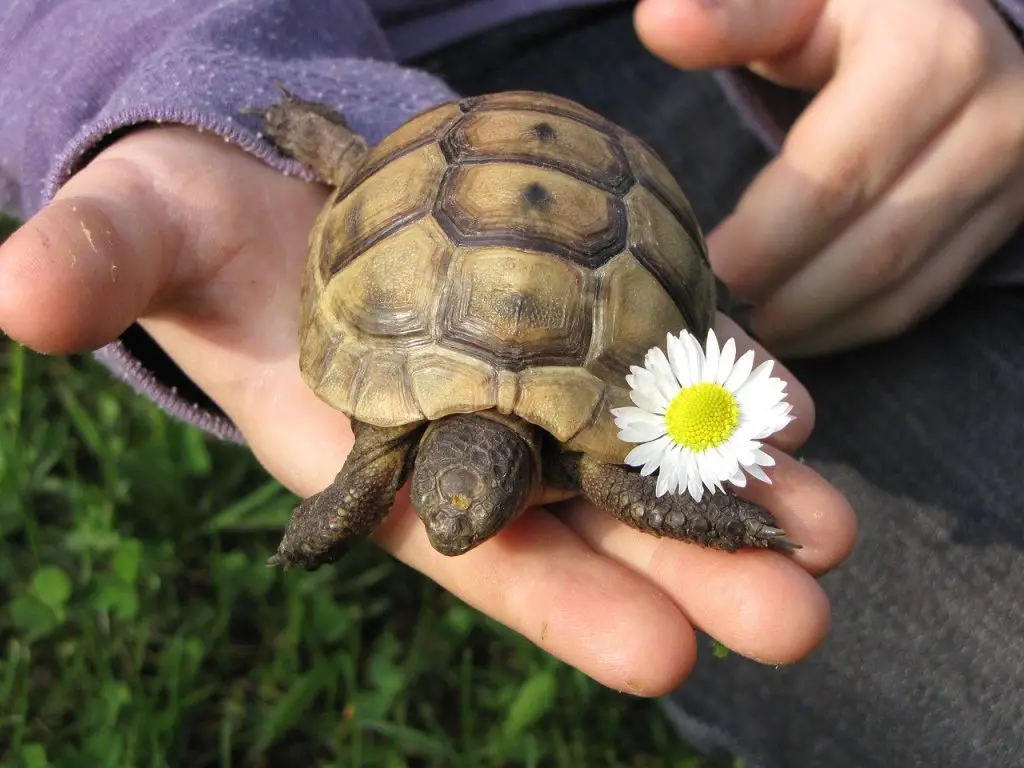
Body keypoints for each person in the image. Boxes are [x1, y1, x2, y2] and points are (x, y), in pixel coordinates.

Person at [0, 1, 1020, 765]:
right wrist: (161, 65)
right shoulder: (398, 448)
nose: (458, 522)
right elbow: (370, 481)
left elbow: (604, 480)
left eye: (464, 505)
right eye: (459, 507)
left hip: (732, 86)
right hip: (361, 67)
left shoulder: (498, 454)